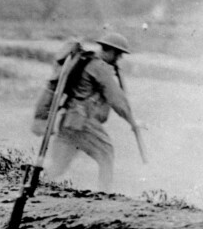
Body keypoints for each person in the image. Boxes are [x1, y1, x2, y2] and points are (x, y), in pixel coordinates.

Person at [47, 32, 141, 193]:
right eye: (117, 54)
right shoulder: (100, 67)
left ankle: (37, 189)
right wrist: (132, 122)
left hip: (69, 121)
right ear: (109, 50)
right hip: (83, 122)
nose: (119, 58)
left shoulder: (87, 61)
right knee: (106, 153)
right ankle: (104, 195)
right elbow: (116, 99)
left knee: (58, 167)